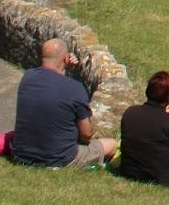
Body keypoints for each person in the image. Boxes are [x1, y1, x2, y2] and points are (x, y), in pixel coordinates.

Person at [11, 38, 116, 169]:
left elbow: (51, 85)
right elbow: (86, 135)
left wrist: (65, 70)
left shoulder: (28, 77)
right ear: (66, 59)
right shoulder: (75, 88)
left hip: (22, 155)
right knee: (111, 144)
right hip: (58, 158)